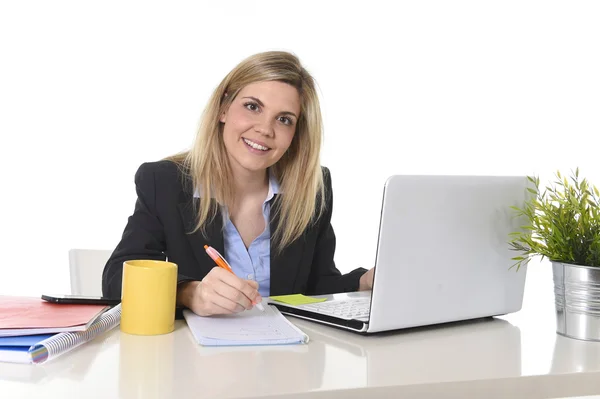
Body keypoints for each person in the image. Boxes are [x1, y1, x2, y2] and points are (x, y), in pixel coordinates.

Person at [101, 51, 374, 316]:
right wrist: (188, 293)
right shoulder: (165, 182)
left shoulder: (312, 189)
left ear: (296, 134)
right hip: (192, 357)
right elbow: (116, 279)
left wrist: (364, 283)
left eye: (284, 119)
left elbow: (316, 286)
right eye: (252, 107)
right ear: (223, 109)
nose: (265, 129)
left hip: (286, 357)